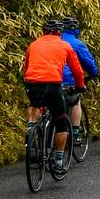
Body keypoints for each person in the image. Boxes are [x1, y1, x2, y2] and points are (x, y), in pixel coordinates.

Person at [23, 18, 85, 172]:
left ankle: (31, 129)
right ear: (60, 32)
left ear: (43, 31)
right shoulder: (65, 45)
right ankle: (58, 160)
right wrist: (80, 86)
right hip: (53, 84)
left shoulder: (33, 44)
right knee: (61, 121)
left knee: (34, 104)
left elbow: (26, 66)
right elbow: (77, 70)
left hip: (32, 83)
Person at [59, 16, 100, 145]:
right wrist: (94, 74)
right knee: (75, 102)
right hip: (67, 80)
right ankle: (75, 134)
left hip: (48, 79)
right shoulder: (76, 43)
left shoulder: (56, 40)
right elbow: (88, 62)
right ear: (75, 29)